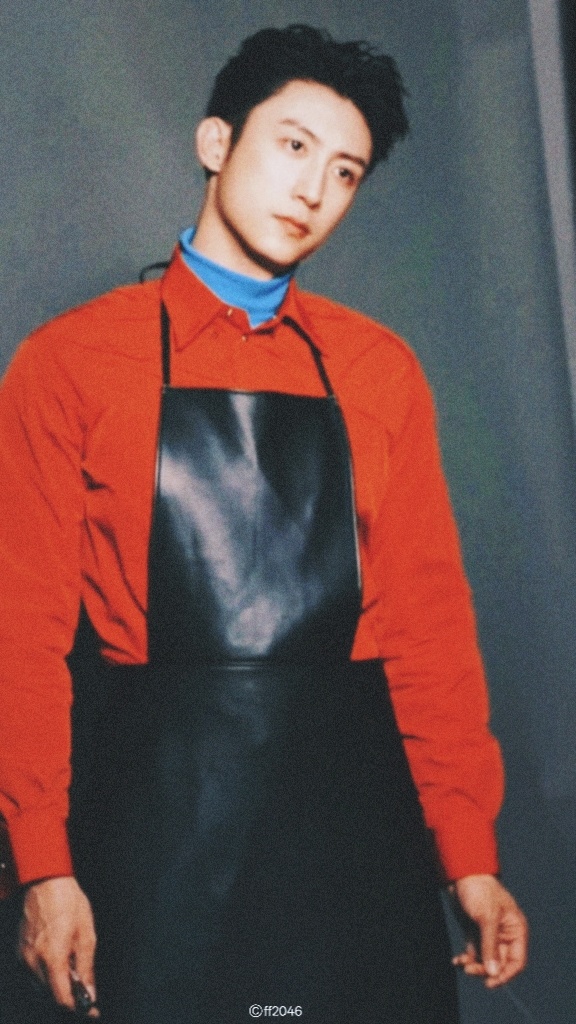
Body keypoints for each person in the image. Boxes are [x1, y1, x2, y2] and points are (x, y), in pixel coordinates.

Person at [0, 23, 527, 1024]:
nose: (313, 189)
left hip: (357, 844)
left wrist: (468, 852)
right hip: (154, 846)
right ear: (216, 142)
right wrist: (43, 863)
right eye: (292, 145)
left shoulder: (378, 370)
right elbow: (18, 636)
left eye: (346, 171)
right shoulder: (70, 364)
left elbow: (427, 628)